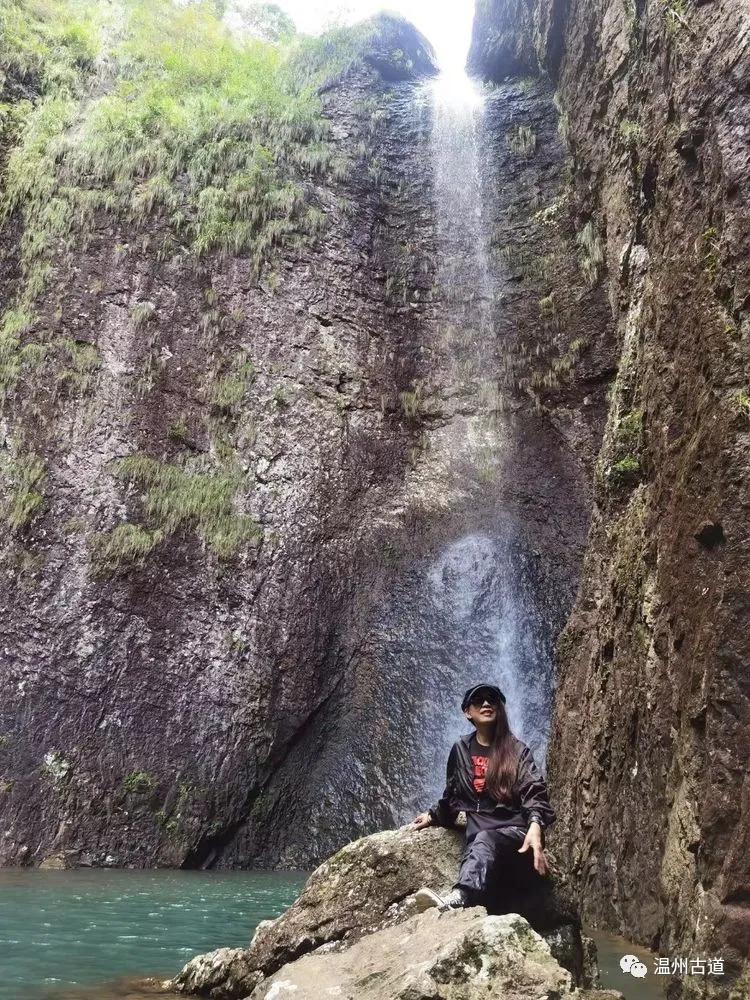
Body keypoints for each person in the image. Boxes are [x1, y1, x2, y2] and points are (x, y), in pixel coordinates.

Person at [411, 682, 555, 911]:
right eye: (479, 700)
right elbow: (452, 796)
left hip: (516, 838)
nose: (487, 703)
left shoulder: (518, 750)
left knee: (486, 839)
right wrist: (433, 816)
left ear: (500, 708)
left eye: (492, 699)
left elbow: (533, 788)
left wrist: (536, 825)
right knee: (482, 840)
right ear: (467, 712)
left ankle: (460, 898)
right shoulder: (461, 749)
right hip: (481, 842)